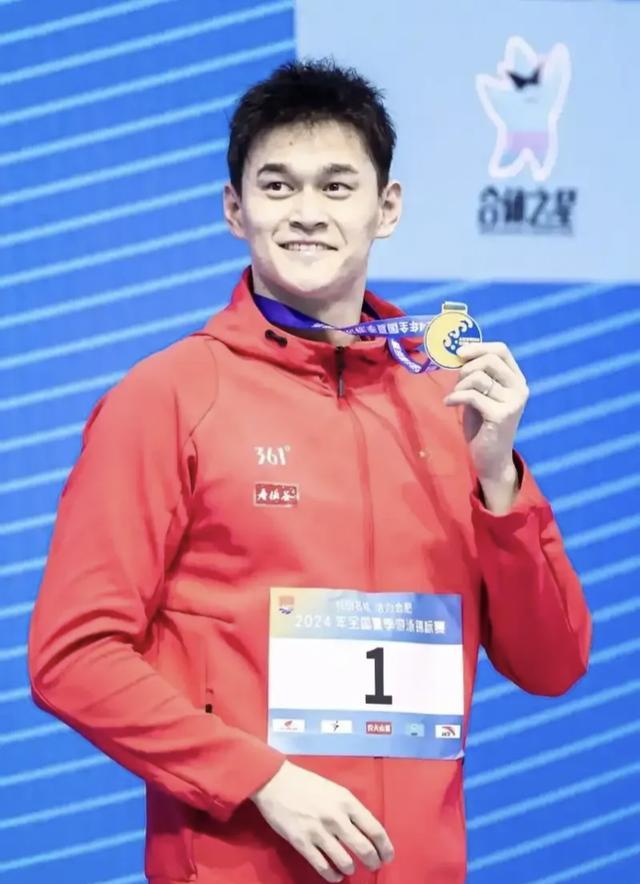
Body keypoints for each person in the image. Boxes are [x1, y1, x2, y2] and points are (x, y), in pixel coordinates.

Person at [28, 60, 591, 884]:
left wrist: (498, 476)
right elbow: (73, 654)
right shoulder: (169, 398)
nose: (306, 213)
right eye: (277, 186)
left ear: (386, 207)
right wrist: (259, 778)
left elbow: (554, 662)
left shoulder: (452, 402)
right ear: (235, 209)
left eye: (336, 186)